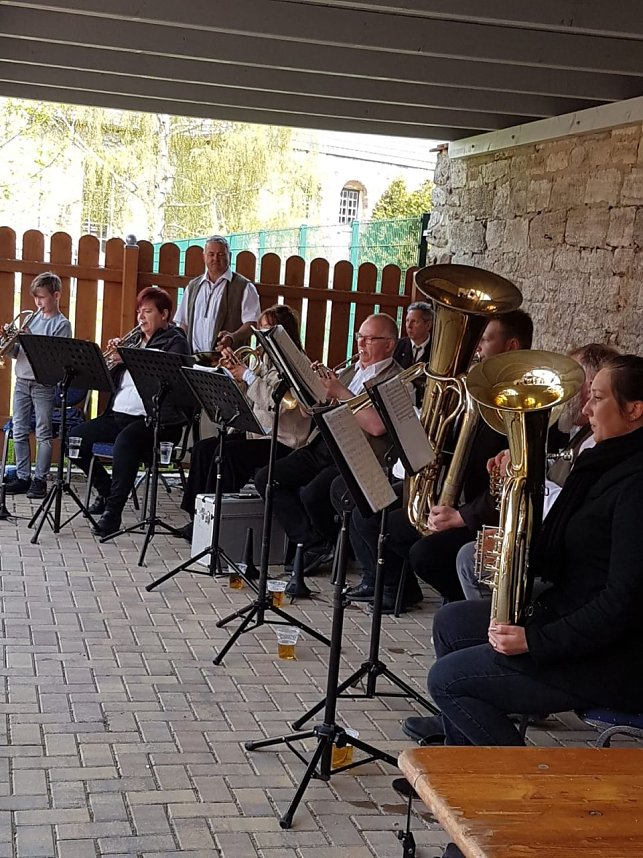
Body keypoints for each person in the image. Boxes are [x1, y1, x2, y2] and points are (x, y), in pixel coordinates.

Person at [428, 354, 643, 744]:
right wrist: (513, 533)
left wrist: (536, 640)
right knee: (451, 623)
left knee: (448, 680)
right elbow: (562, 553)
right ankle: (457, 759)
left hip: (610, 658)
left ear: (635, 410)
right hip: (569, 622)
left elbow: (623, 603)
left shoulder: (635, 483)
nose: (586, 408)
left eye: (597, 398)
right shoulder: (601, 463)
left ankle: (518, 789)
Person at [346, 309, 534, 613]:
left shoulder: (523, 403)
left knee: (425, 554)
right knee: (370, 513)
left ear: (512, 347)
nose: (477, 350)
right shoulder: (475, 390)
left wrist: (462, 515)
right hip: (451, 495)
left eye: (485, 340)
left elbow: (515, 484)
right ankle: (399, 590)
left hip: (484, 515)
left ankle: (461, 606)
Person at [456, 341, 620, 602]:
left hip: (566, 563)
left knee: (468, 558)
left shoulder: (599, 443)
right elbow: (558, 473)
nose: (562, 394)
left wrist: (527, 478)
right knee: (470, 554)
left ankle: (495, 628)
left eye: (572, 383)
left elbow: (567, 508)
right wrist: (522, 463)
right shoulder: (575, 431)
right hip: (550, 541)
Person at [254, 313, 401, 574]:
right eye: (359, 338)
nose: (361, 344)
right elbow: (306, 412)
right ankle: (314, 543)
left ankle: (330, 549)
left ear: (389, 345)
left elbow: (378, 427)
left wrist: (341, 393)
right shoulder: (349, 371)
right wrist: (308, 384)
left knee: (313, 494)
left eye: (370, 339)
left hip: (355, 454)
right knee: (267, 478)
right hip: (322, 444)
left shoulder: (397, 380)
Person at [178, 304, 311, 537]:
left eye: (268, 330)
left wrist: (247, 376)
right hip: (258, 433)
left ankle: (216, 524)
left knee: (227, 455)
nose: (261, 337)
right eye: (260, 330)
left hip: (283, 441)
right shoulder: (263, 361)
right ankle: (198, 516)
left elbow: (276, 403)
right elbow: (247, 401)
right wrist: (233, 376)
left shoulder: (295, 363)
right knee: (203, 449)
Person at [75, 287, 191, 537]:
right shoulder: (134, 341)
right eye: (139, 311)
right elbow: (111, 382)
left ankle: (113, 513)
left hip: (156, 421)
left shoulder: (175, 342)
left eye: (147, 311)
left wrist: (128, 357)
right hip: (118, 415)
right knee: (74, 439)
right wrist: (115, 362)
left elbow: (168, 379)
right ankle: (106, 492)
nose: (141, 317)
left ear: (164, 315)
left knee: (124, 443)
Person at [5, 272, 72, 499]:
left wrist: (29, 338)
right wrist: (10, 341)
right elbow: (19, 353)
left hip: (43, 384)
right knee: (19, 430)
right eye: (35, 298)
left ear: (56, 296)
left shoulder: (62, 325)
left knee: (43, 432)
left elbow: (51, 358)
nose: (38, 303)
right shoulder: (31, 319)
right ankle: (23, 476)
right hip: (22, 380)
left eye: (42, 298)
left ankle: (40, 480)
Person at [174, 235, 261, 353]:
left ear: (229, 256)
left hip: (229, 364)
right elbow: (183, 324)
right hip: (193, 361)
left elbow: (252, 324)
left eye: (221, 254)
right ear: (203, 257)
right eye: (211, 254)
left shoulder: (245, 287)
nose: (215, 258)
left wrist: (233, 337)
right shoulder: (193, 287)